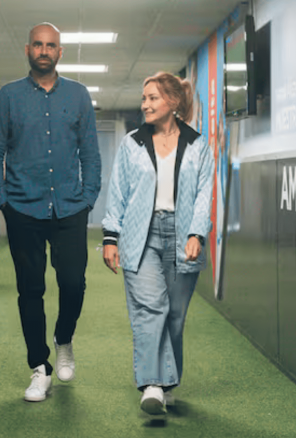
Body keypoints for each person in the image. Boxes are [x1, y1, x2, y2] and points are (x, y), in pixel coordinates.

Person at [0, 22, 101, 402]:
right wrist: (3, 201)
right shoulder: (9, 96)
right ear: (28, 49)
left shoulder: (79, 96)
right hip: (22, 207)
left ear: (60, 52)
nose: (44, 50)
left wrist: (87, 198)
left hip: (69, 207)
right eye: (38, 44)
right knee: (30, 290)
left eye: (51, 45)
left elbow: (91, 155)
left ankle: (63, 338)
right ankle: (40, 368)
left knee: (73, 283)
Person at [101, 72, 214, 415]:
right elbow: (117, 192)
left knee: (175, 317)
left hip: (182, 235)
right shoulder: (132, 143)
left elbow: (204, 195)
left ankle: (168, 381)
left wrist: (197, 232)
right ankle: (152, 384)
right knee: (152, 310)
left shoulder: (198, 144)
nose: (145, 104)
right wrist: (111, 236)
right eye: (143, 98)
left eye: (153, 98)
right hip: (142, 236)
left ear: (174, 102)